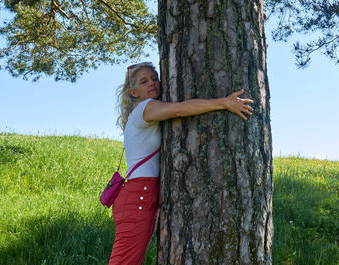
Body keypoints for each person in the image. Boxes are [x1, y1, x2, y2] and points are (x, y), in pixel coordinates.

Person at [109, 62, 254, 265]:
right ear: (134, 92)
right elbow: (180, 110)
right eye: (144, 81)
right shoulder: (146, 108)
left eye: (154, 78)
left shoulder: (146, 110)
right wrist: (224, 103)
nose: (152, 83)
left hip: (140, 195)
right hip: (138, 196)